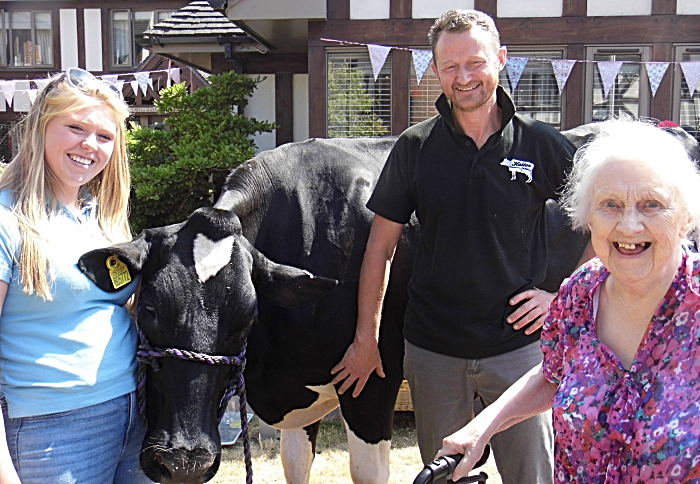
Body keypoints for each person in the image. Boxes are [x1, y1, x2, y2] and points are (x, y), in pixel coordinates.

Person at [331, 9, 586, 483]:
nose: (463, 77)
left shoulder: (541, 144)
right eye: (450, 66)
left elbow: (604, 226)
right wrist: (366, 339)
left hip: (520, 352)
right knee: (446, 477)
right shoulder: (415, 147)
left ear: (501, 60)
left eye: (475, 62)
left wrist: (564, 299)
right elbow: (379, 249)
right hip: (434, 350)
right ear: (435, 70)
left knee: (533, 476)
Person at [438, 119, 700, 482]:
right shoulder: (580, 292)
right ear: (587, 216)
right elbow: (554, 374)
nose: (628, 226)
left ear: (686, 217)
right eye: (610, 204)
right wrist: (480, 428)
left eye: (651, 204)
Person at [0, 69, 148, 483]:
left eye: (104, 136)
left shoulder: (101, 219)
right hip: (52, 431)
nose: (91, 145)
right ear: (42, 127)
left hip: (134, 411)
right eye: (76, 128)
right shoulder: (7, 220)